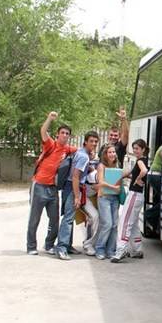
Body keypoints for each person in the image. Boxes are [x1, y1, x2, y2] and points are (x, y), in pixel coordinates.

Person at [26, 111, 77, 255]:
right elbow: (43, 131)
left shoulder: (67, 149)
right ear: (57, 134)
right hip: (39, 185)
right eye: (63, 133)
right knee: (34, 218)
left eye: (67, 133)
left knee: (54, 220)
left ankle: (49, 245)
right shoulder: (50, 145)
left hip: (53, 189)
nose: (65, 135)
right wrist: (49, 118)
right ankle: (31, 247)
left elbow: (81, 152)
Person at [56, 131, 100, 260]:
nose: (94, 144)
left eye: (96, 141)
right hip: (72, 187)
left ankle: (67, 246)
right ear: (85, 141)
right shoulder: (83, 156)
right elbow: (75, 177)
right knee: (68, 218)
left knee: (69, 217)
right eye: (91, 141)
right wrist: (76, 196)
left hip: (70, 187)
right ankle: (62, 248)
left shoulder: (81, 153)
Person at [111, 139, 149, 262]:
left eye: (137, 148)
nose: (135, 151)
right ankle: (137, 249)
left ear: (143, 149)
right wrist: (123, 175)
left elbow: (144, 171)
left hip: (134, 195)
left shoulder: (139, 161)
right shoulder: (144, 160)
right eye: (134, 148)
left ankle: (121, 250)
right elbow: (134, 172)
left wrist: (137, 179)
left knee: (125, 222)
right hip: (139, 196)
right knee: (133, 224)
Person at [94, 145, 124, 260]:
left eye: (114, 152)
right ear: (105, 154)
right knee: (107, 224)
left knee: (115, 225)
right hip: (104, 198)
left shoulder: (117, 165)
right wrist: (114, 187)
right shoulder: (101, 166)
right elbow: (101, 182)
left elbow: (119, 179)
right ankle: (100, 249)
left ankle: (111, 250)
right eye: (110, 152)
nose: (112, 154)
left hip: (114, 198)